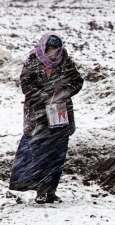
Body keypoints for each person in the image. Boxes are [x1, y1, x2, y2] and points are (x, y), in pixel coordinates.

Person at [9, 33, 85, 203]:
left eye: (56, 50)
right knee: (38, 152)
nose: (53, 53)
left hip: (59, 115)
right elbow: (27, 86)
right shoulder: (33, 62)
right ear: (44, 48)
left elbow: (77, 81)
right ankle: (37, 188)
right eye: (50, 50)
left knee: (56, 154)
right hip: (38, 116)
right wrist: (45, 96)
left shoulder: (65, 62)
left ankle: (50, 190)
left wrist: (62, 92)